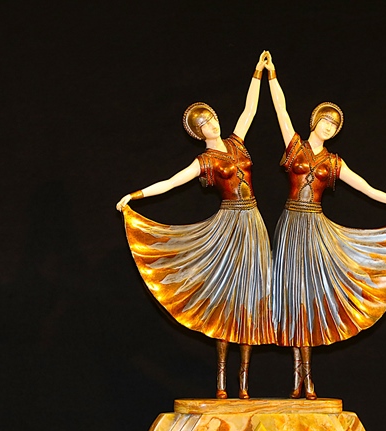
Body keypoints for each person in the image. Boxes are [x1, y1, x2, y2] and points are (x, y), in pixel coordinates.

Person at [117, 53, 274, 399]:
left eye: (212, 120)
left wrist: (260, 74)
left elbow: (249, 110)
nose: (212, 126)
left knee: (251, 299)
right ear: (199, 133)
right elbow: (172, 182)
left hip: (253, 224)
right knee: (226, 300)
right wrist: (136, 195)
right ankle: (221, 378)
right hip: (229, 225)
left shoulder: (236, 142)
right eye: (204, 125)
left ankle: (244, 381)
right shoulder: (204, 161)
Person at [264, 51, 386, 399]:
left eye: (333, 126)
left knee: (309, 296)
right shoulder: (295, 146)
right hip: (291, 225)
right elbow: (280, 110)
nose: (328, 128)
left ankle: (308, 378)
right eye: (325, 122)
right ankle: (297, 377)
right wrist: (271, 76)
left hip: (315, 228)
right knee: (292, 295)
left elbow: (366, 187)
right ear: (314, 121)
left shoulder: (334, 163)